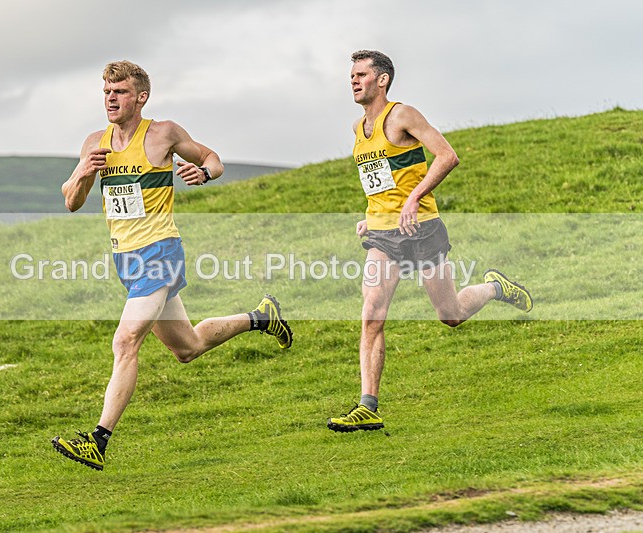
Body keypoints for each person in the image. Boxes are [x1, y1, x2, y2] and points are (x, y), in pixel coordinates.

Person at [52, 61, 292, 470]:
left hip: (159, 253)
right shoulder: (95, 142)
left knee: (125, 341)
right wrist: (84, 172)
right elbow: (72, 201)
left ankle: (98, 440)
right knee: (187, 347)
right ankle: (261, 317)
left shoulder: (162, 133)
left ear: (141, 97)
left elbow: (213, 158)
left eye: (120, 91)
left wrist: (204, 172)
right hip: (126, 259)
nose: (111, 98)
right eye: (107, 91)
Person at [327, 50, 532, 433]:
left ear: (382, 80)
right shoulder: (358, 128)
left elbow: (447, 156)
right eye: (351, 75)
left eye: (361, 75)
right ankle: (368, 406)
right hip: (383, 235)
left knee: (450, 314)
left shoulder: (402, 115)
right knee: (372, 313)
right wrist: (372, 217)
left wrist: (414, 198)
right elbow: (382, 179)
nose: (353, 81)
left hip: (422, 228)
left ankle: (494, 287)